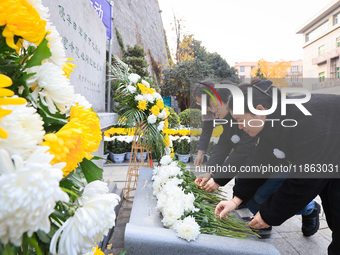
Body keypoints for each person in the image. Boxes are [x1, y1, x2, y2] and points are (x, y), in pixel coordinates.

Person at [215, 80, 340, 254]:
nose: (240, 126)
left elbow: (305, 179)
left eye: (240, 120)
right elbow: (260, 160)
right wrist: (235, 200)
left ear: (259, 110)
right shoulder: (274, 121)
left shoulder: (302, 121)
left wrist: (269, 214)